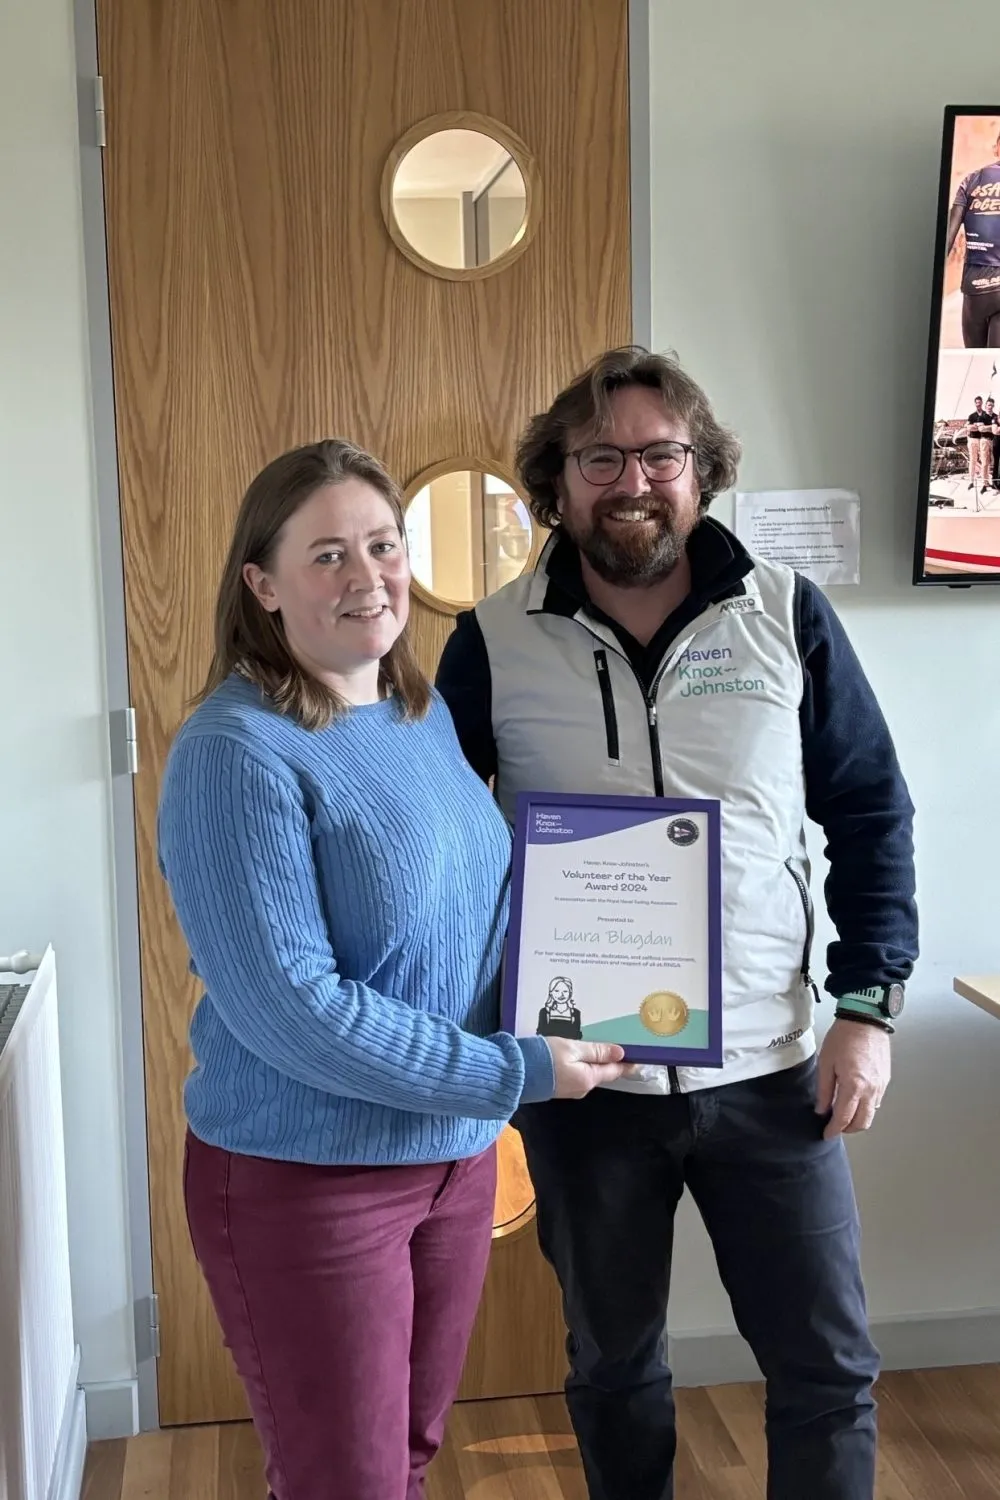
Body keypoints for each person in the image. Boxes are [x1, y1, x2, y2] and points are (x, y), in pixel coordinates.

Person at [436, 348, 918, 1500]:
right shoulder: (490, 639)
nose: (632, 479)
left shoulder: (785, 615)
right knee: (612, 1364)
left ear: (702, 473)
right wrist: (481, 1044)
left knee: (826, 1364)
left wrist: (866, 1007)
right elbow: (445, 860)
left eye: (661, 453)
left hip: (771, 1067)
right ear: (556, 483)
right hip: (585, 1078)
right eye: (599, 457)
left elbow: (868, 810)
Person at [157, 439, 628, 1500]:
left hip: (454, 1163)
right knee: (344, 1480)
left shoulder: (421, 716)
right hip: (306, 1180)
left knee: (404, 1457)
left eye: (381, 545)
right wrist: (514, 1073)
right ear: (261, 583)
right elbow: (296, 1011)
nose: (367, 576)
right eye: (327, 555)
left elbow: (477, 922)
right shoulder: (235, 753)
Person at [946, 131, 1000, 347]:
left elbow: (948, 237)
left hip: (976, 287)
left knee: (975, 361)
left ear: (997, 148)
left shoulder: (971, 180)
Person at [965, 395, 990, 489]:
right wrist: (978, 426)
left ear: (982, 403)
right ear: (975, 404)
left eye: (979, 403)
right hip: (973, 439)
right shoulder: (971, 416)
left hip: (983, 440)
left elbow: (986, 428)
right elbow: (968, 427)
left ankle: (985, 482)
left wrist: (978, 427)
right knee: (972, 460)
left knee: (985, 461)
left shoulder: (985, 415)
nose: (978, 404)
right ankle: (971, 481)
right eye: (977, 403)